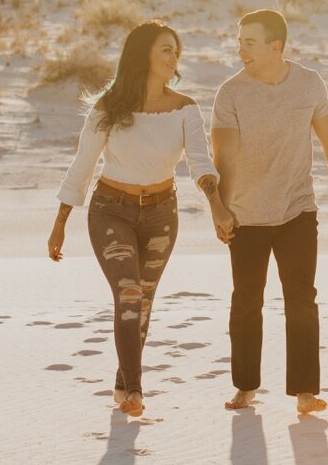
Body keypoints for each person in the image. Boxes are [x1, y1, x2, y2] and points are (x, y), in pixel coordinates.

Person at [48, 20, 237, 418]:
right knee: (129, 293)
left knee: (144, 301)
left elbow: (200, 162)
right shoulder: (109, 108)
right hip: (110, 210)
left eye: (176, 51)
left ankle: (123, 382)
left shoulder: (185, 108)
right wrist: (61, 220)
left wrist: (216, 204)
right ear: (143, 55)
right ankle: (135, 390)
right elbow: (83, 164)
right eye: (166, 49)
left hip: (161, 214)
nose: (174, 57)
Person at [210, 8, 328, 415]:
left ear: (275, 46)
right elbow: (222, 156)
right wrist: (220, 210)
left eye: (249, 42)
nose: (240, 49)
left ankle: (304, 392)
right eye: (239, 40)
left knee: (302, 299)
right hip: (246, 214)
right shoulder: (230, 93)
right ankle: (245, 388)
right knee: (247, 300)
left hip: (297, 208)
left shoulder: (309, 84)